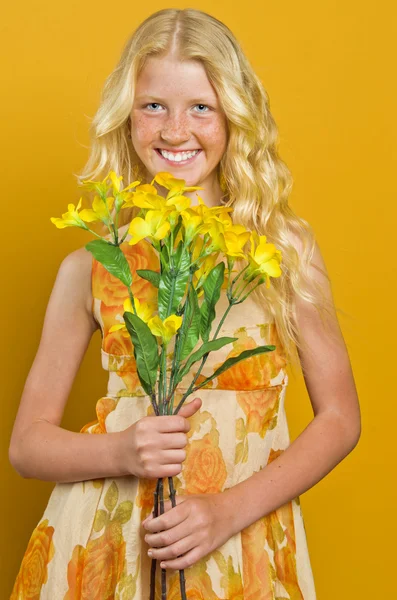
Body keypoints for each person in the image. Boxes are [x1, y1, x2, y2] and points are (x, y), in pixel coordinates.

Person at [9, 7, 361, 599]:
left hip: (239, 541)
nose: (176, 130)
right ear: (127, 118)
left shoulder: (281, 250)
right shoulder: (91, 268)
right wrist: (120, 449)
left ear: (235, 115)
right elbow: (27, 445)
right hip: (108, 546)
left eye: (201, 106)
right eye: (153, 106)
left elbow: (341, 419)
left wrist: (228, 510)